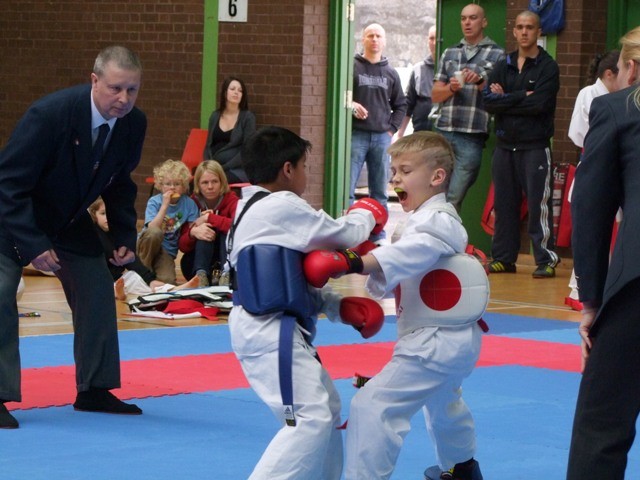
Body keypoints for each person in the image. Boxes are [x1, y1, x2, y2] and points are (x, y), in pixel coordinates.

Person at [304, 132, 487, 480]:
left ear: (437, 177)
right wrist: (369, 256)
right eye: (393, 172)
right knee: (443, 403)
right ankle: (463, 468)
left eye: (405, 170)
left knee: (373, 406)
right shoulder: (425, 219)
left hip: (432, 343)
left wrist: (355, 262)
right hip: (451, 340)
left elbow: (415, 252)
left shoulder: (436, 220)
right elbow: (403, 266)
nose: (395, 180)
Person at [227, 126, 387, 479]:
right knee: (310, 418)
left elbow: (284, 280)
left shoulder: (249, 208)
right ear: (287, 169)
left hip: (273, 327)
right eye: (304, 166)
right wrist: (366, 211)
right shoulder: (279, 205)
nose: (306, 174)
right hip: (269, 331)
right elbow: (344, 235)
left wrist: (335, 306)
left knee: (327, 408)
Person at [0, 45, 146, 429]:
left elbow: (120, 183)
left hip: (67, 218)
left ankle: (94, 388)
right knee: (0, 293)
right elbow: (8, 184)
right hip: (11, 215)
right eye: (115, 88)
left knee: (96, 286)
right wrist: (33, 244)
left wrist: (124, 235)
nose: (124, 98)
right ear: (94, 81)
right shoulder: (50, 115)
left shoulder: (133, 123)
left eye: (132, 90)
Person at [567, 26, 640, 479]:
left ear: (630, 68)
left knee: (603, 424)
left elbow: (590, 209)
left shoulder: (618, 109)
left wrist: (591, 300)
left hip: (636, 288)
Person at [482, 10, 560, 278]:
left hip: (534, 146)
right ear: (514, 31)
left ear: (539, 32)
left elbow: (540, 105)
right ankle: (504, 258)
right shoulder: (502, 64)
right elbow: (487, 101)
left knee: (539, 205)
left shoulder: (548, 67)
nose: (524, 31)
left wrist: (505, 98)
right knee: (504, 204)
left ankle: (546, 259)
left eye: (530, 27)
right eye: (520, 27)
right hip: (505, 146)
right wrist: (520, 96)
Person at [431, 3, 505, 212]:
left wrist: (480, 81)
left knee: (454, 197)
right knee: (435, 195)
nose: (467, 23)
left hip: (472, 135)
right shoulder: (450, 52)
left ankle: (446, 231)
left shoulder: (498, 54)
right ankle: (433, 231)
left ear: (484, 22)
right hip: (444, 130)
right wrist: (451, 88)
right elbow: (435, 94)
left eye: (473, 18)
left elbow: (499, 98)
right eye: (463, 18)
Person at [565, 50, 620, 311]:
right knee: (590, 233)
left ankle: (602, 288)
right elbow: (577, 134)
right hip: (593, 164)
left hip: (615, 167)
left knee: (608, 233)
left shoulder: (620, 97)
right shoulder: (589, 94)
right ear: (609, 74)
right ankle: (579, 291)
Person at [350, 23, 407, 241]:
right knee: (347, 189)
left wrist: (391, 130)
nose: (374, 39)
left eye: (378, 36)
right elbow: (342, 95)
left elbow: (401, 105)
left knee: (380, 192)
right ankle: (349, 235)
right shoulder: (352, 67)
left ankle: (377, 236)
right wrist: (352, 104)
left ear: (384, 41)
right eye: (370, 35)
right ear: (363, 39)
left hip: (382, 138)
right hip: (356, 135)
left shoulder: (391, 72)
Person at [88, 197, 198, 300]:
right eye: (103, 213)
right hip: (98, 279)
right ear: (94, 215)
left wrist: (150, 280)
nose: (108, 217)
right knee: (95, 285)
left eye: (112, 213)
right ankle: (116, 292)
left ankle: (174, 290)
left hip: (118, 279)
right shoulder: (93, 234)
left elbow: (132, 261)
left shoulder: (118, 233)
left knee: (135, 278)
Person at [137, 159, 200, 285]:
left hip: (167, 250)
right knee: (155, 233)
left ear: (184, 186)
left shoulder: (189, 204)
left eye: (177, 184)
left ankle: (153, 276)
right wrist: (165, 205)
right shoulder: (155, 201)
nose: (172, 187)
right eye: (167, 184)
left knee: (168, 281)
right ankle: (142, 272)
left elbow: (192, 228)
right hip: (147, 245)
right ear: (160, 185)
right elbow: (152, 228)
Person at [178, 160, 239, 286]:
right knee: (204, 230)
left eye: (214, 181)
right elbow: (182, 246)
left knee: (224, 229)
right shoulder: (191, 203)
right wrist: (193, 232)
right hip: (201, 258)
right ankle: (201, 276)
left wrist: (209, 218)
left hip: (226, 256)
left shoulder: (232, 200)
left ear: (222, 182)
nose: (210, 187)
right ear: (198, 184)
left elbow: (239, 227)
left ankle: (226, 274)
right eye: (205, 182)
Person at [203, 76, 256, 184]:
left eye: (240, 91)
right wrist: (208, 165)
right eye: (232, 89)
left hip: (237, 169)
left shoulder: (247, 117)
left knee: (216, 182)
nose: (236, 92)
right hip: (214, 167)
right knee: (195, 182)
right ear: (224, 93)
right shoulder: (215, 115)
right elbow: (208, 145)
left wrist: (223, 168)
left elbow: (247, 150)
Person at [398, 25, 438, 137]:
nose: (434, 42)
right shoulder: (418, 69)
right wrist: (400, 134)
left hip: (444, 135)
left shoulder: (451, 68)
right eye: (431, 38)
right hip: (420, 133)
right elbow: (409, 103)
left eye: (437, 38)